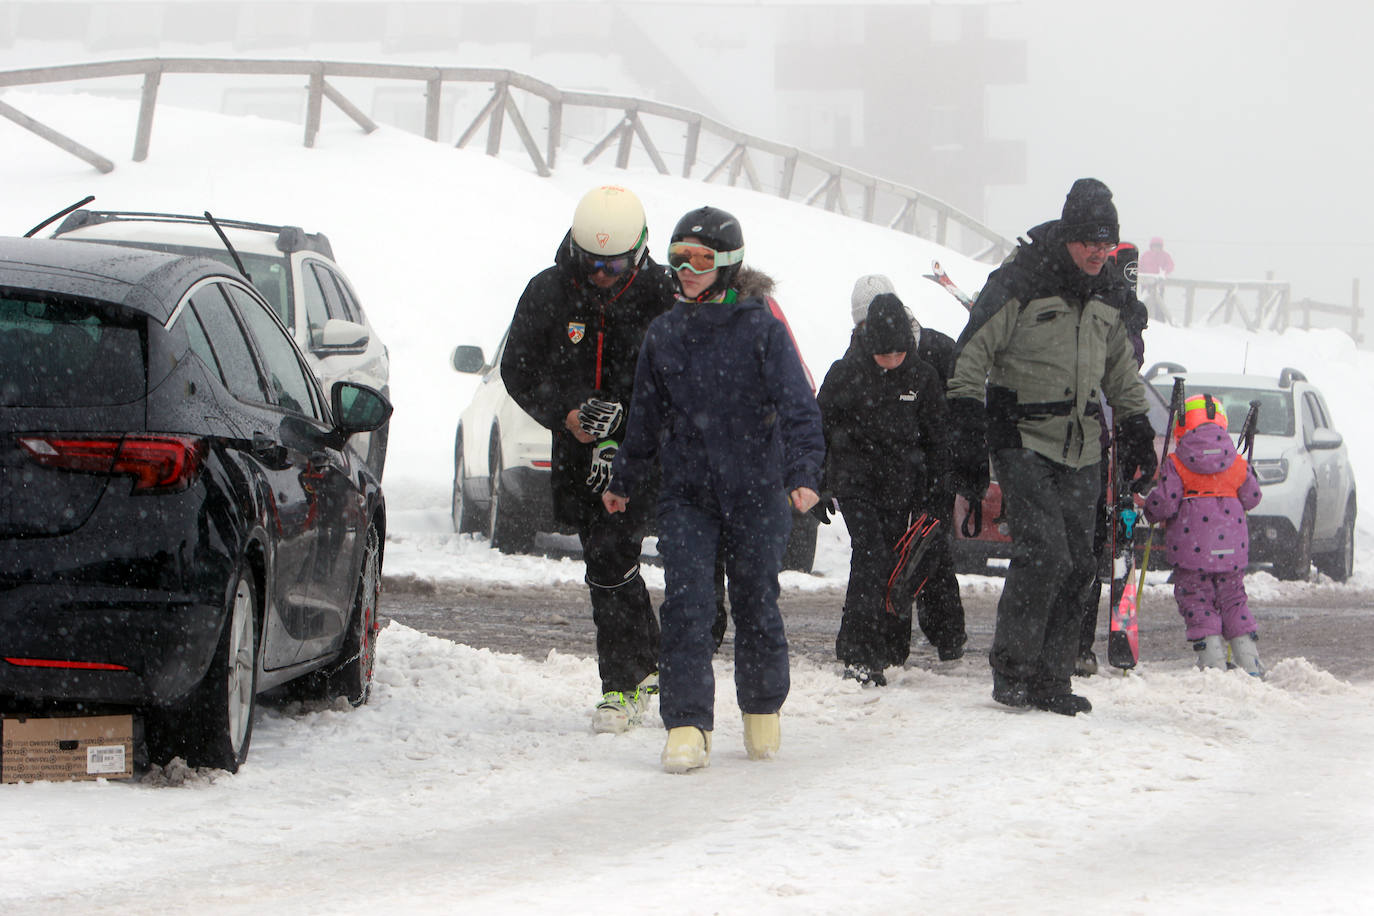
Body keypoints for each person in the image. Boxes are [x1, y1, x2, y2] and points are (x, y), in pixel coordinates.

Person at [602, 205, 825, 773]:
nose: (689, 268)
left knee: (756, 600)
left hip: (757, 491)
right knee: (688, 606)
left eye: (702, 258)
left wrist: (803, 475)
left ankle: (761, 708)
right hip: (688, 495)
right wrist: (624, 480)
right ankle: (686, 725)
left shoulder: (762, 329)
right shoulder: (665, 333)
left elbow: (800, 408)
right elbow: (644, 419)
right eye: (679, 257)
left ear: (729, 263)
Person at [946, 177, 1157, 716]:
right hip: (1022, 438)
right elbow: (970, 358)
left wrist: (1135, 426)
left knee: (1081, 565)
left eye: (1105, 242)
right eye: (1088, 239)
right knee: (1044, 553)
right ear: (1067, 234)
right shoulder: (1021, 280)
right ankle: (1012, 670)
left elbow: (1120, 370)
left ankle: (1052, 677)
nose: (1096, 251)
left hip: (1082, 445)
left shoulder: (1109, 291)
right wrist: (968, 431)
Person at [500, 185, 676, 734]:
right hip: (579, 455)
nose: (601, 275)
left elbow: (689, 376)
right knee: (606, 561)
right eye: (591, 262)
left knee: (610, 553)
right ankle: (650, 665)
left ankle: (621, 685)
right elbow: (519, 369)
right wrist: (566, 413)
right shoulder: (549, 291)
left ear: (641, 253)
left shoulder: (666, 298)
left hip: (645, 453)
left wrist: (636, 420)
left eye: (615, 264)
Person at [818, 293, 952, 686]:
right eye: (884, 355)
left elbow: (937, 441)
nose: (892, 362)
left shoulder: (922, 377)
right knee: (872, 556)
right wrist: (817, 484)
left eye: (899, 354)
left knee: (896, 563)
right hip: (856, 484)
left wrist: (939, 492)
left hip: (901, 486)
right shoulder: (843, 375)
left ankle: (890, 647)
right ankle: (859, 654)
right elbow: (817, 432)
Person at [847, 274, 968, 662]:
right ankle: (882, 644)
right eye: (862, 327)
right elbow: (834, 422)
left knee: (929, 554)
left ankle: (947, 634)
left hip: (921, 472)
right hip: (879, 478)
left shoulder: (934, 354)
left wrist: (953, 475)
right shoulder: (855, 361)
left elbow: (955, 421)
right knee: (882, 558)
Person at [1142, 394, 1264, 675]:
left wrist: (1149, 509)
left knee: (1197, 601)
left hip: (1191, 550)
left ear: (1182, 426)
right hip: (1232, 550)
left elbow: (1165, 503)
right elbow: (1253, 496)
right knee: (1233, 600)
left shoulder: (1177, 463)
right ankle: (1249, 661)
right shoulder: (1236, 462)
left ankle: (1212, 662)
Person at [1075, 241, 1149, 675]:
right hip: (1082, 443)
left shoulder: (1116, 313)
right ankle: (1072, 643)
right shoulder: (1080, 300)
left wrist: (1130, 325)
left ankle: (1078, 645)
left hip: (1104, 444)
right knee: (1079, 551)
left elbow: (1127, 367)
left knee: (1095, 549)